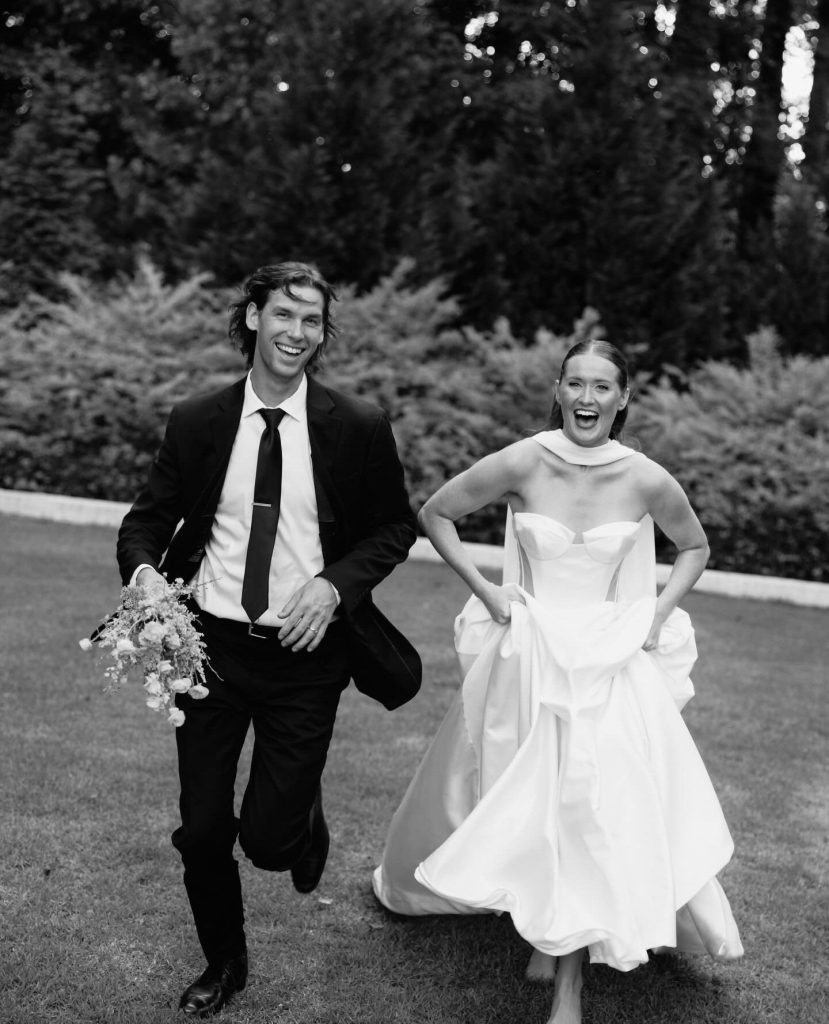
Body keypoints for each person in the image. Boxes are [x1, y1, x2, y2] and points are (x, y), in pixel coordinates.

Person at [373, 339, 743, 1024]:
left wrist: (657, 611)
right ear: (557, 388)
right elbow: (435, 513)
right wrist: (488, 593)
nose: (586, 398)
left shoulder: (645, 478)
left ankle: (567, 989)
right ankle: (544, 929)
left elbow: (694, 546)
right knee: (536, 798)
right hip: (533, 653)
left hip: (607, 659)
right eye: (574, 384)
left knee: (585, 801)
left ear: (623, 397)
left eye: (602, 387)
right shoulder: (524, 459)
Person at [117, 261, 421, 1017]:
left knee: (268, 843)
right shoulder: (198, 419)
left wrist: (334, 584)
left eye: (311, 321)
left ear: (323, 334)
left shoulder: (354, 426)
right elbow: (145, 522)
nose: (295, 333)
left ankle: (298, 820)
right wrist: (146, 574)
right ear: (252, 317)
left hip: (304, 657)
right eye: (282, 315)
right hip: (209, 652)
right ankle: (225, 964)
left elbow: (394, 527)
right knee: (202, 829)